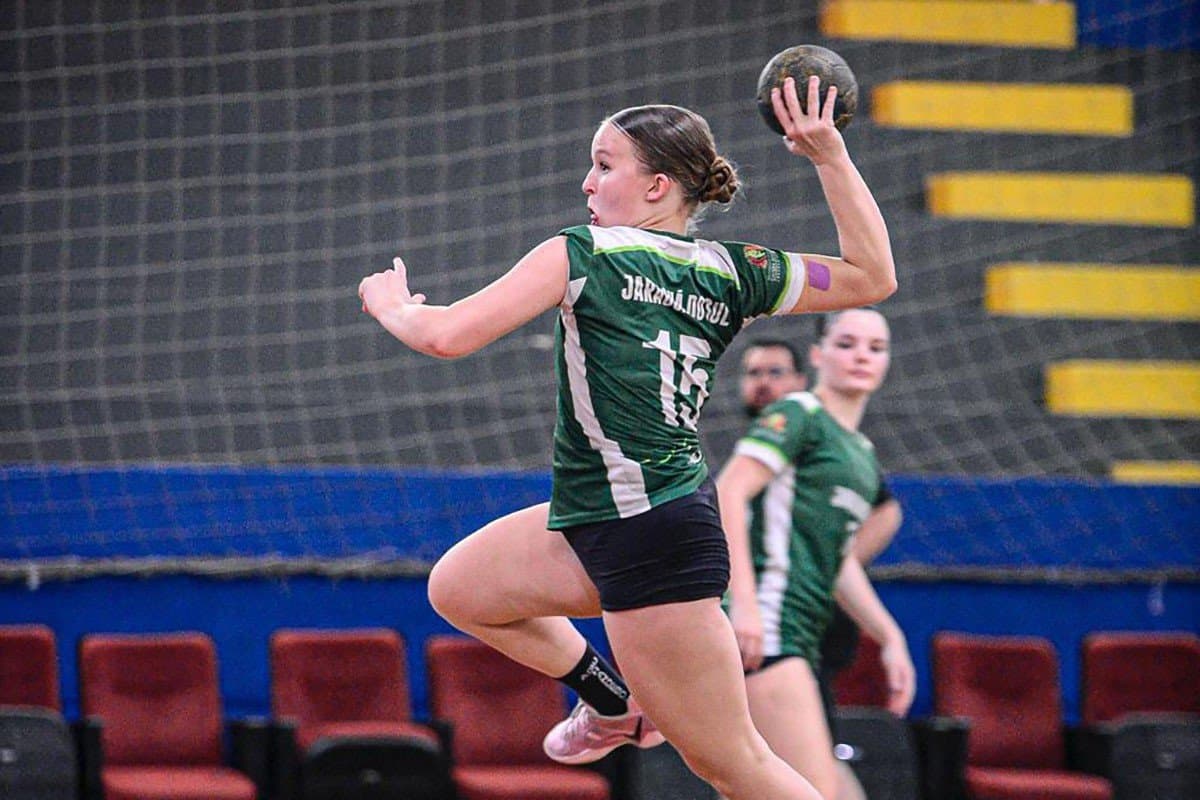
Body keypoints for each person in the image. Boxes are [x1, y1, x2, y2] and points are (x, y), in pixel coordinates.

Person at [358, 75, 896, 800]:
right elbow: (872, 275)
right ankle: (612, 702)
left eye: (605, 164)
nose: (587, 182)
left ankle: (620, 706)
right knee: (460, 588)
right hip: (598, 514)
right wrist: (829, 156)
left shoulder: (586, 253)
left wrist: (392, 307)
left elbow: (448, 335)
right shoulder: (735, 271)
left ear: (658, 186)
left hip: (652, 534)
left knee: (736, 767)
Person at [716, 308, 915, 800]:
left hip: (797, 638)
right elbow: (729, 492)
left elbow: (839, 562)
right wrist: (743, 605)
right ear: (819, 354)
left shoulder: (862, 454)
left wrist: (889, 636)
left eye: (875, 347)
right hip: (768, 634)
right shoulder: (801, 414)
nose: (861, 356)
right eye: (846, 344)